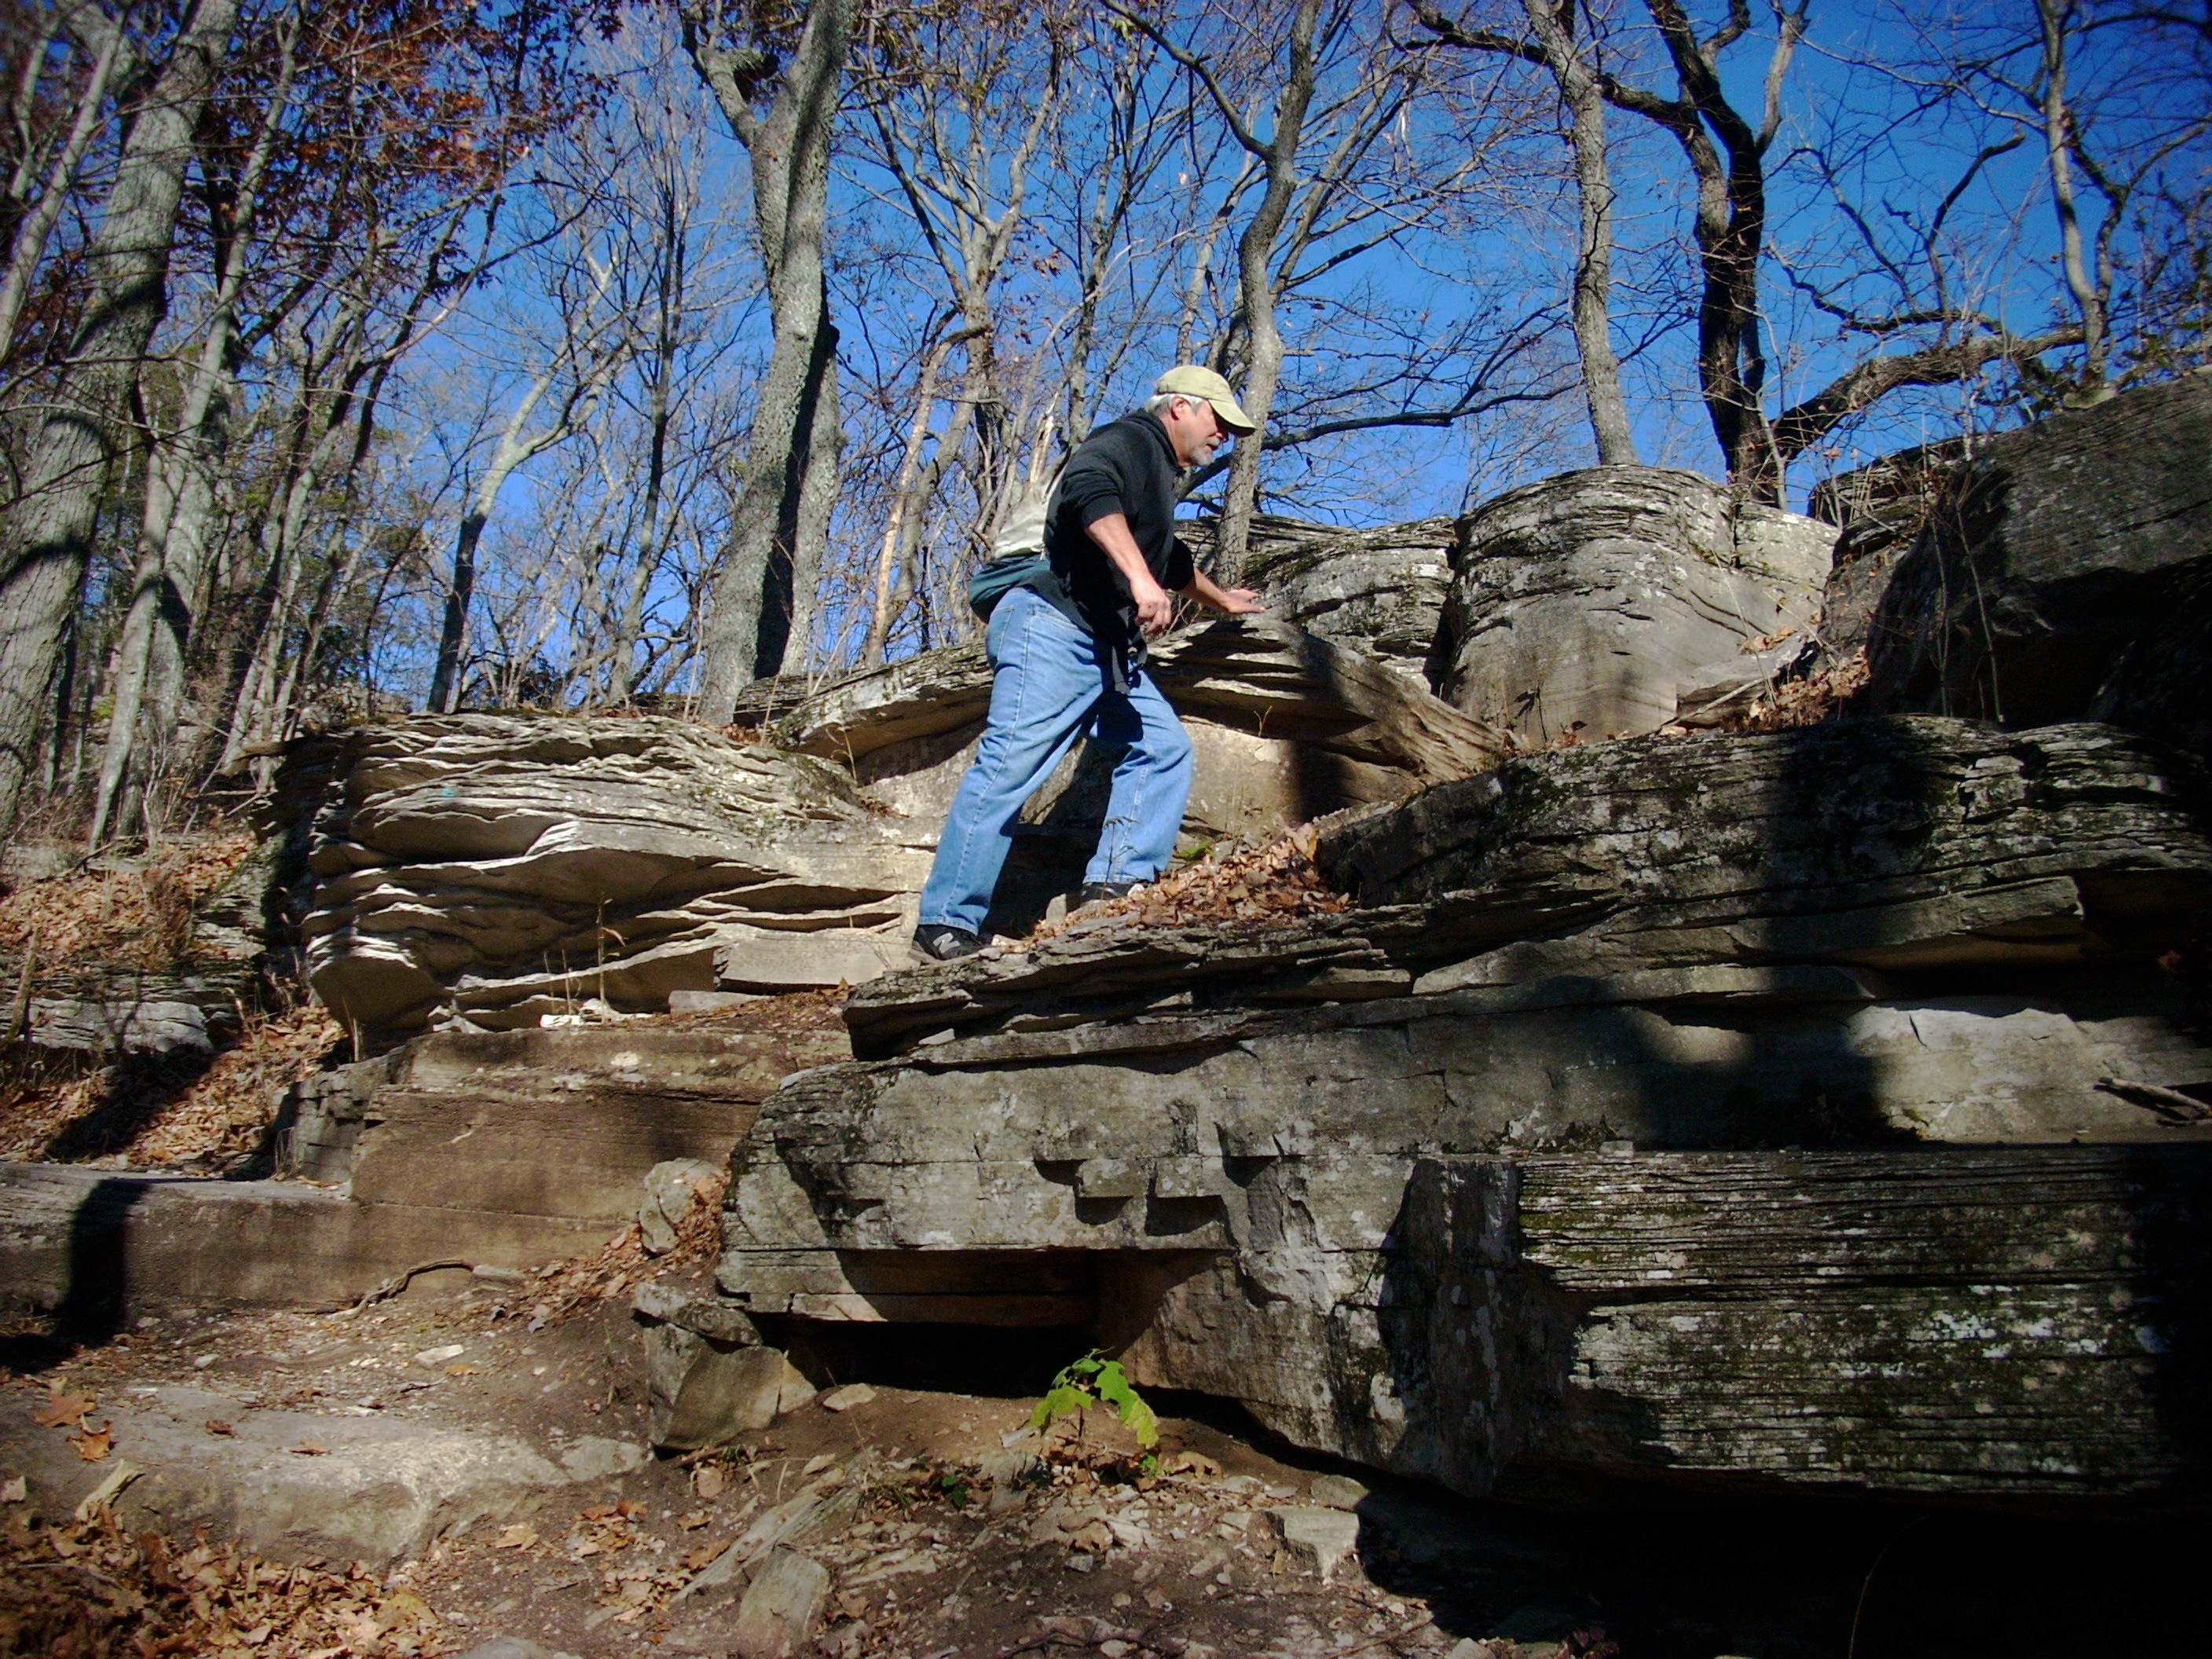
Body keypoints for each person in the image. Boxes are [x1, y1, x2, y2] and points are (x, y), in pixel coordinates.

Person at [913, 365, 1265, 961]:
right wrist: (1138, 580)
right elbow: (1088, 491)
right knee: (1008, 769)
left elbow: (1169, 560)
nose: (1223, 436)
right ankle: (944, 922)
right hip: (1052, 630)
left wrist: (1222, 599)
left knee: (1161, 749)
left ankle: (1115, 886)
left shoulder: (1158, 475)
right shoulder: (1130, 440)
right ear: (1179, 407)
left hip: (1103, 647)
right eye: (1218, 420)